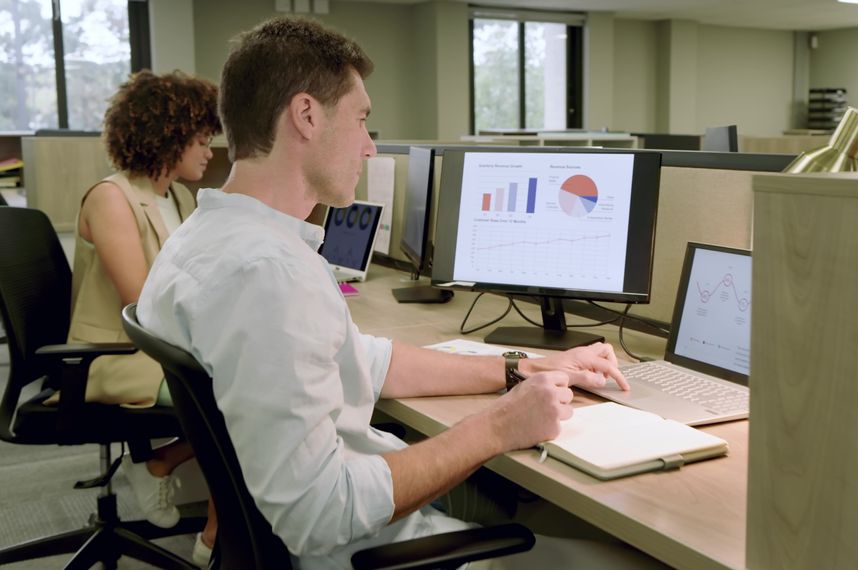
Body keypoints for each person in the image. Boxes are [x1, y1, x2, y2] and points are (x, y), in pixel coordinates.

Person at [137, 16, 664, 569]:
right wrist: (500, 426)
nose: (369, 147)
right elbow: (320, 514)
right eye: (362, 119)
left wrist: (521, 367)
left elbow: (365, 360)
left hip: (351, 512)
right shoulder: (269, 274)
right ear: (306, 115)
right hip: (373, 546)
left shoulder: (204, 237)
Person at [66, 69, 221, 565]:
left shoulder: (178, 197)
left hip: (162, 347)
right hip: (115, 355)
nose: (210, 152)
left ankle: (162, 463)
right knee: (237, 389)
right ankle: (219, 535)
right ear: (169, 136)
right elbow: (143, 301)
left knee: (254, 371)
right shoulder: (111, 198)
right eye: (202, 141)